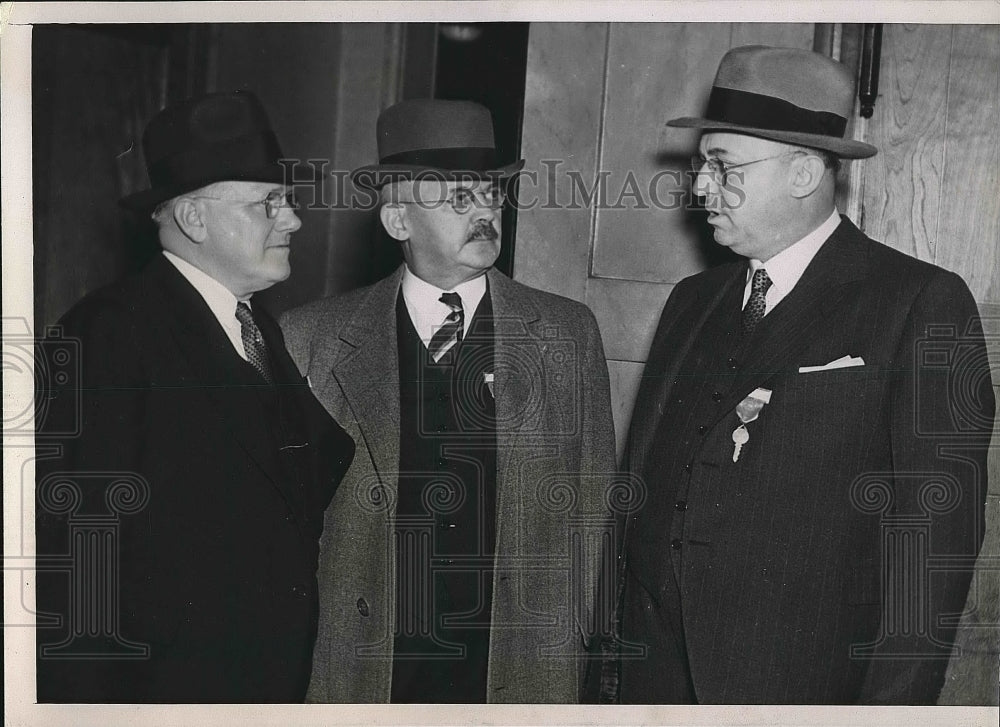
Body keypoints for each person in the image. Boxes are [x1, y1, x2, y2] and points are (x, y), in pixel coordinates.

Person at [613, 45, 994, 704]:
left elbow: (931, 554)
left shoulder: (919, 303)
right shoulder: (690, 301)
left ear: (804, 171)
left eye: (722, 165)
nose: (700, 186)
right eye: (702, 165)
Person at [280, 99, 616, 703]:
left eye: (491, 193)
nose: (486, 210)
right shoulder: (312, 340)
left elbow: (593, 515)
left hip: (515, 672)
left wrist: (581, 658)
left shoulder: (566, 333)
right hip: (367, 674)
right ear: (398, 221)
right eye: (460, 197)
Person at [35, 91, 355, 703]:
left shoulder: (258, 329)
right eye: (269, 203)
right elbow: (80, 562)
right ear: (194, 220)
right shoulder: (110, 333)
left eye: (286, 201)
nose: (292, 220)